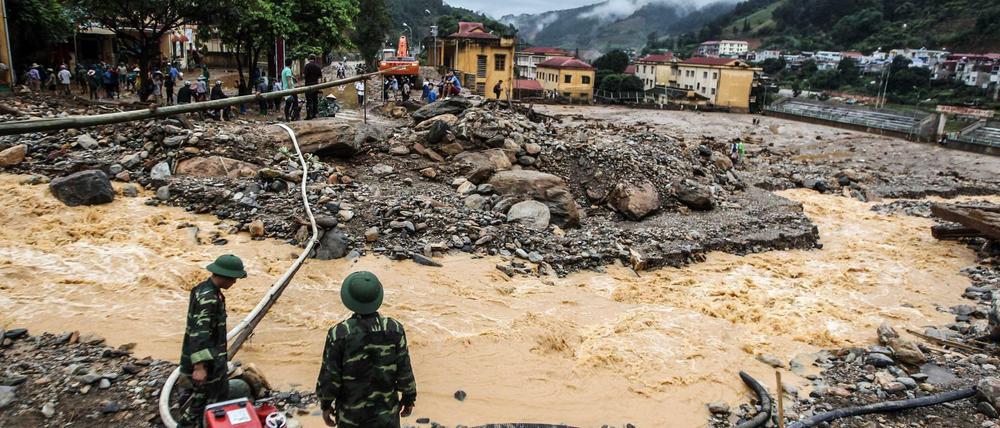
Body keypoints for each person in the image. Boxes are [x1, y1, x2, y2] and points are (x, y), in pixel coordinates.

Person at [316, 272, 417, 428]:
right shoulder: (394, 329)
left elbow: (330, 376)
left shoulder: (339, 334)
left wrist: (326, 405)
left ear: (348, 300)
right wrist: (409, 399)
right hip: (387, 416)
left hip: (351, 417)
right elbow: (404, 370)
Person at [177, 254, 247, 428]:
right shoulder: (209, 298)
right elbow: (200, 334)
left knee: (212, 399)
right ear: (224, 276)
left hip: (214, 359)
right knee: (203, 404)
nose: (235, 283)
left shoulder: (203, 289)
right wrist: (199, 367)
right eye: (233, 279)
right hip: (208, 363)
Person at [303, 54, 323, 120]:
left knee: (309, 101)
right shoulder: (318, 67)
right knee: (315, 100)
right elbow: (320, 78)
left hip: (308, 86)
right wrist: (319, 87)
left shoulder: (307, 66)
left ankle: (309, 115)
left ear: (309, 59)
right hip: (315, 85)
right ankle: (315, 114)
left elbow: (304, 76)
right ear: (315, 59)